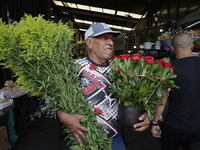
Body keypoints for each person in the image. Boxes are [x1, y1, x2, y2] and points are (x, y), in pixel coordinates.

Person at [57, 22, 150, 149]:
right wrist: (64, 117)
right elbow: (56, 97)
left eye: (111, 38)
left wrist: (144, 114)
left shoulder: (120, 68)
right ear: (89, 43)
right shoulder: (75, 67)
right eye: (104, 38)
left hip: (114, 139)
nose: (111, 42)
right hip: (85, 139)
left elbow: (133, 98)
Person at [151, 33, 200, 150]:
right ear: (192, 46)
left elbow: (162, 99)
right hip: (197, 127)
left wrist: (155, 122)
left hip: (174, 125)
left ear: (172, 49)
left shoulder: (168, 69)